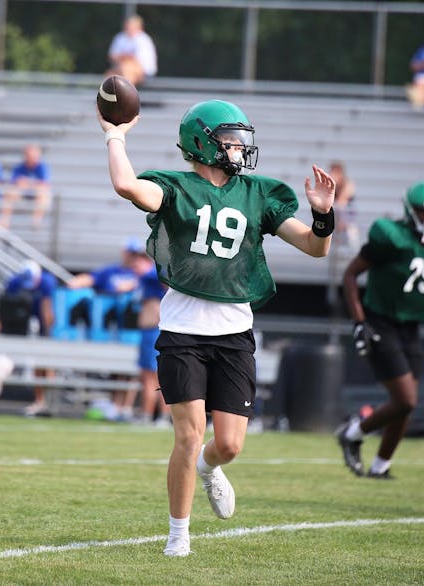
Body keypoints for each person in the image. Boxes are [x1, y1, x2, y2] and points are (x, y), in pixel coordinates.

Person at [97, 98, 335, 556]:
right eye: (229, 140)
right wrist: (115, 134)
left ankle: (210, 469)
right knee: (188, 435)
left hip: (233, 333)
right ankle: (178, 535)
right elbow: (127, 185)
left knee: (228, 445)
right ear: (202, 143)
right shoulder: (175, 187)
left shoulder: (258, 193)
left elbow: (314, 248)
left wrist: (323, 214)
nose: (239, 148)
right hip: (183, 330)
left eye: (240, 139)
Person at [337, 182, 424, 479]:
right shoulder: (390, 237)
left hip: (411, 326)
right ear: (411, 211)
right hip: (381, 322)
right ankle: (353, 432)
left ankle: (381, 466)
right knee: (406, 400)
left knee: (404, 406)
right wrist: (359, 322)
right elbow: (351, 274)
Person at [66, 238, 150, 422]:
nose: (135, 258)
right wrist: (75, 281)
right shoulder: (112, 271)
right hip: (112, 328)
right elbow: (91, 278)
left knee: (130, 372)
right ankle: (116, 405)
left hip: (131, 328)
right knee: (118, 370)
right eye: (132, 254)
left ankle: (125, 406)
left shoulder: (144, 273)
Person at [2, 260, 58, 416]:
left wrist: (47, 334)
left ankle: (47, 401)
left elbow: (47, 311)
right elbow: (5, 306)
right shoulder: (15, 282)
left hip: (43, 324)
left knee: (46, 363)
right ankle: (40, 401)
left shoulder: (47, 283)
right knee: (37, 364)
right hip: (23, 322)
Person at [136, 260, 171, 426]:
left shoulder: (153, 273)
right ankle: (152, 415)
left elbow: (167, 277)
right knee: (147, 376)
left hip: (154, 332)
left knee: (154, 377)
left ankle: (155, 416)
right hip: (148, 332)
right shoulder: (147, 280)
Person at [1, 144, 52, 229]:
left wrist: (29, 183)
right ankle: (5, 220)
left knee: (43, 193)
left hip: (35, 194)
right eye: (28, 155)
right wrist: (29, 184)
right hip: (22, 194)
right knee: (9, 192)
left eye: (33, 156)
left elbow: (44, 184)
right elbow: (14, 182)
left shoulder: (42, 167)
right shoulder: (19, 167)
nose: (31, 158)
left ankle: (36, 222)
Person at [107, 14, 158, 87]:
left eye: (131, 25)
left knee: (127, 69)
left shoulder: (144, 39)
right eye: (128, 25)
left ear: (139, 27)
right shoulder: (120, 37)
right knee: (109, 76)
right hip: (121, 69)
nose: (129, 27)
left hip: (144, 73)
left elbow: (136, 61)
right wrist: (125, 58)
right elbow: (112, 56)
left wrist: (122, 58)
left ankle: (128, 96)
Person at [329, 161, 359, 250]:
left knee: (349, 251)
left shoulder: (348, 184)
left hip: (347, 227)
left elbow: (341, 202)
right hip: (333, 226)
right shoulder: (329, 186)